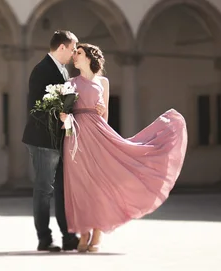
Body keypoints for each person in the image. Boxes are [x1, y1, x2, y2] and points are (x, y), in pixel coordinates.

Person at [60, 43, 188, 252]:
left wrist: (101, 110)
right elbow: (65, 112)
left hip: (98, 134)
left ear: (90, 57)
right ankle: (83, 234)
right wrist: (63, 116)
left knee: (99, 184)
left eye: (79, 53)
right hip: (75, 137)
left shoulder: (103, 82)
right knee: (79, 185)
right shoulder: (70, 82)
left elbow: (105, 117)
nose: (75, 56)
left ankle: (98, 233)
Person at [22, 31, 105, 252]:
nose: (73, 53)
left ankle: (68, 236)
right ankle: (44, 238)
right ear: (62, 48)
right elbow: (35, 108)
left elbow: (71, 104)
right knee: (43, 190)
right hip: (42, 140)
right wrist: (58, 114)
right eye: (73, 48)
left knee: (62, 190)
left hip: (61, 141)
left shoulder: (64, 71)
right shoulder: (42, 70)